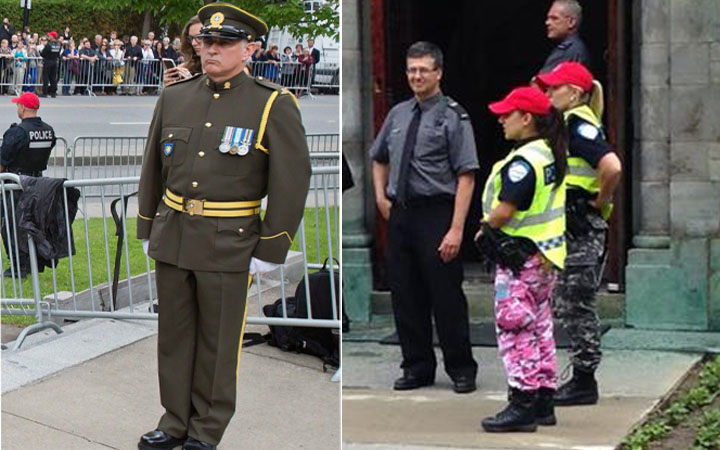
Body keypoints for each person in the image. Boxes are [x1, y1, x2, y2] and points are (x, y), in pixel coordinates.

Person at [135, 3, 311, 450]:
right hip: (174, 233)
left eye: (223, 42)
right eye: (205, 41)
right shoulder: (176, 95)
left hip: (228, 240)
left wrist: (270, 247)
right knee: (174, 337)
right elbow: (154, 166)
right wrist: (146, 225)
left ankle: (206, 429)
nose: (210, 50)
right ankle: (175, 420)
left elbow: (291, 182)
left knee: (217, 344)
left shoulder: (272, 103)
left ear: (249, 49)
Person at [370, 41, 478, 394]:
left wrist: (456, 229)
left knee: (446, 297)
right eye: (411, 69)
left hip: (437, 214)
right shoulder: (398, 114)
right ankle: (416, 367)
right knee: (405, 295)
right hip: (401, 215)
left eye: (423, 70)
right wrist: (380, 197)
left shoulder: (453, 117)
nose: (416, 76)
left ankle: (461, 368)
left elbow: (466, 175)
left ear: (438, 73)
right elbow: (379, 156)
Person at [478, 86, 568, 432]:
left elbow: (505, 209)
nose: (501, 120)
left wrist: (485, 227)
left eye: (507, 114)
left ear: (526, 118)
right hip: (543, 259)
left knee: (515, 330)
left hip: (519, 260)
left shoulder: (524, 163)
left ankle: (523, 401)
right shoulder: (548, 153)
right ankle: (544, 398)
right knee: (541, 328)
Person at [536, 62, 622, 406]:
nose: (549, 93)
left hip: (582, 229)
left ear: (573, 93)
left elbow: (611, 166)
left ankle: (585, 381)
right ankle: (582, 377)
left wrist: (599, 202)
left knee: (577, 305)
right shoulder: (571, 122)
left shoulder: (578, 124)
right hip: (574, 228)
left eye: (554, 88)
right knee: (569, 303)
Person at [0, 92, 56, 278]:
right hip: (38, 185)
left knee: (9, 225)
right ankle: (34, 261)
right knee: (32, 225)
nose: (17, 108)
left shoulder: (17, 132)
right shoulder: (48, 130)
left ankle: (19, 266)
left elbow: (3, 159)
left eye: (18, 105)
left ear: (23, 108)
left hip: (15, 185)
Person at [539, 0, 591, 74]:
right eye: (548, 18)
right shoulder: (574, 47)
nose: (547, 22)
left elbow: (540, 82)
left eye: (554, 18)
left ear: (571, 22)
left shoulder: (569, 51)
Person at [164, 15, 202, 86]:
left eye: (199, 37)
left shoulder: (220, 67)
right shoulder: (186, 66)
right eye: (190, 38)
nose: (193, 43)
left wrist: (191, 83)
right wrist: (169, 85)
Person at [40, 31, 62, 98]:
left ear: (52, 37)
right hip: (55, 62)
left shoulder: (49, 45)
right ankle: (53, 92)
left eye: (49, 36)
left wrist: (40, 51)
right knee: (53, 78)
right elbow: (58, 55)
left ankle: (45, 92)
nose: (48, 37)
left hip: (47, 62)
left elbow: (43, 54)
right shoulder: (58, 45)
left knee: (46, 78)